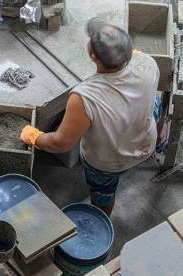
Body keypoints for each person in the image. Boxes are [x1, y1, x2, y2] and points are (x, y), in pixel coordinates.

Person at [20, 17, 160, 216]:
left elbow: (61, 144)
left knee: (103, 194)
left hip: (108, 163)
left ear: (92, 54)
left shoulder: (84, 98)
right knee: (155, 102)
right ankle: (161, 141)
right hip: (146, 141)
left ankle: (102, 217)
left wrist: (33, 136)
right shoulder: (148, 62)